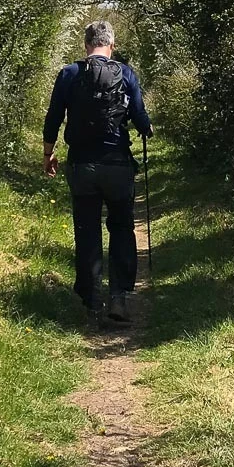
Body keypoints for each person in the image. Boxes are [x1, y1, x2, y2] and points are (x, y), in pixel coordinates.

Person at [43, 19, 152, 324]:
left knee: (87, 230)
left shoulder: (69, 73)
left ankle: (91, 302)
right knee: (121, 228)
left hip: (82, 167)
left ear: (86, 45)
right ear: (111, 45)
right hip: (117, 166)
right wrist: (147, 128)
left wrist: (48, 153)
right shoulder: (126, 73)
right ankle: (118, 297)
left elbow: (53, 117)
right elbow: (141, 117)